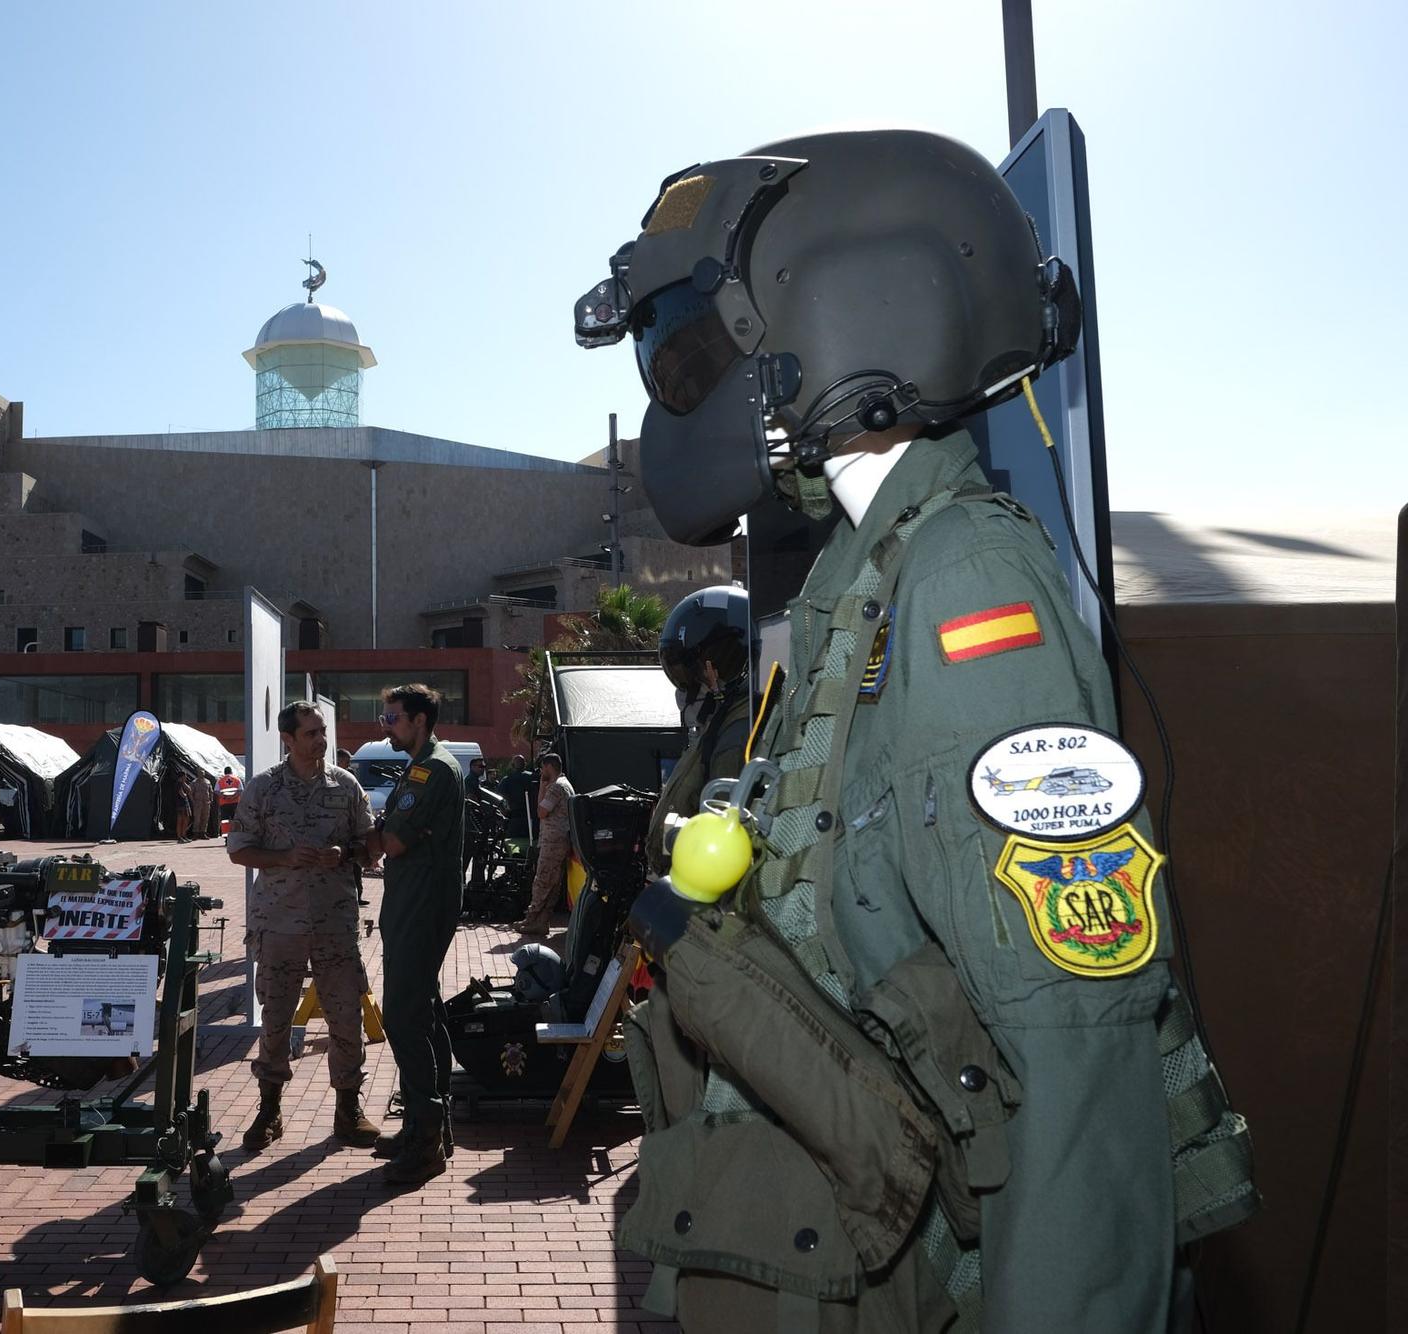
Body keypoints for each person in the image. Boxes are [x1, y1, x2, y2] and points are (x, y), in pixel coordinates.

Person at [577, 129, 1253, 1331]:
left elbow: (1072, 1050)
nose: (676, 387)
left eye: (692, 350)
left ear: (844, 317)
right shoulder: (863, 577)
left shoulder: (963, 586)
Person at [225, 701, 381, 1151]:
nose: (321, 740)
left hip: (334, 922)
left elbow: (369, 845)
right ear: (288, 740)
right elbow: (239, 849)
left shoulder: (346, 786)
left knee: (345, 1018)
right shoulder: (263, 789)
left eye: (322, 731)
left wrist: (347, 854)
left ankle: (348, 1111)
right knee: (275, 1021)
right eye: (311, 733)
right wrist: (284, 858)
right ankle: (269, 1110)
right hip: (279, 924)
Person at [361, 682, 465, 1187]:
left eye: (393, 718)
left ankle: (424, 1141)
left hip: (423, 903)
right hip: (414, 901)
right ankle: (429, 1128)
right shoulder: (418, 764)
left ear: (420, 720)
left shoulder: (433, 768)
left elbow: (395, 841)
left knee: (402, 1015)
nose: (386, 727)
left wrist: (364, 838)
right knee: (422, 1010)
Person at [644, 585, 754, 874]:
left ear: (717, 671)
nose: (686, 693)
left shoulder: (735, 737)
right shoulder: (722, 727)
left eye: (694, 678)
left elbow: (724, 831)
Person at [516, 753, 575, 936]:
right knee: (553, 883)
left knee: (542, 880)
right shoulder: (565, 785)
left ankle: (532, 919)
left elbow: (541, 811)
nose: (541, 772)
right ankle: (541, 921)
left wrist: (542, 785)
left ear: (549, 767)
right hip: (560, 840)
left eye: (543, 768)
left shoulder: (556, 787)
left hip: (553, 842)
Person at [216, 765, 242, 832]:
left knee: (225, 821)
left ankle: (226, 837)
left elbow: (216, 791)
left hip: (224, 804)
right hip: (235, 803)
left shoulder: (220, 780)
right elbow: (240, 790)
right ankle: (235, 835)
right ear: (231, 772)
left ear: (224, 772)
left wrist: (225, 797)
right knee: (236, 820)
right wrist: (233, 797)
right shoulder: (237, 779)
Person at [189, 769, 214, 839]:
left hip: (206, 802)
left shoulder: (207, 782)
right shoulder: (194, 782)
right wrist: (193, 801)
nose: (201, 774)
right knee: (197, 818)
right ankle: (196, 833)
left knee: (205, 818)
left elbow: (211, 791)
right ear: (198, 774)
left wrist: (211, 800)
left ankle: (203, 833)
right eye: (200, 773)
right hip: (198, 802)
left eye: (202, 773)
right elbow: (190, 793)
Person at [173, 770, 193, 842]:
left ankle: (184, 835)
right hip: (180, 805)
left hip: (184, 804)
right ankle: (179, 837)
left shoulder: (182, 783)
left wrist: (184, 783)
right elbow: (182, 794)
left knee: (186, 820)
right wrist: (186, 794)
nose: (186, 777)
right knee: (180, 821)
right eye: (185, 776)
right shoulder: (178, 784)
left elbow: (189, 789)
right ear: (182, 776)